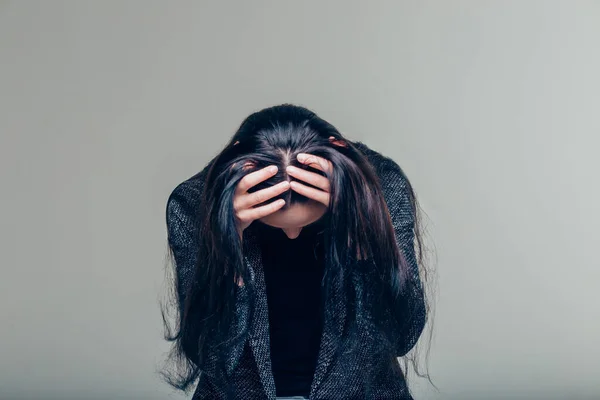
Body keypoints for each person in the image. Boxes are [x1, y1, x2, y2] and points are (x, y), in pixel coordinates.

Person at [161, 104, 432, 399]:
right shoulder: (192, 204)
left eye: (309, 222)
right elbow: (209, 357)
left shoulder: (381, 189)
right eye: (275, 226)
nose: (292, 235)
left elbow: (404, 336)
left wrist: (368, 245)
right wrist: (226, 243)